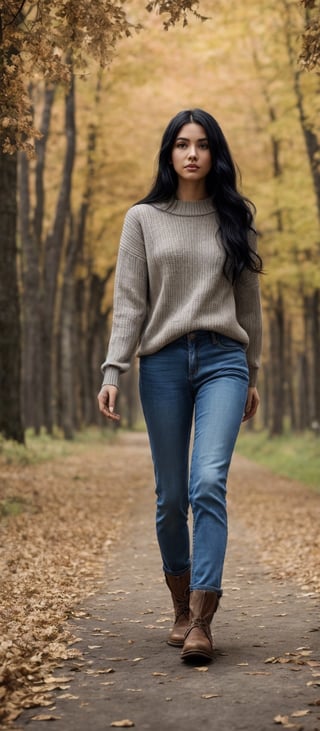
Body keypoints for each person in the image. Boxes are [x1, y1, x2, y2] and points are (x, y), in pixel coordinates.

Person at [97, 108, 263, 663]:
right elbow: (130, 302)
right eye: (181, 144)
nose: (192, 153)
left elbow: (249, 306)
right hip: (163, 363)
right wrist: (113, 368)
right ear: (168, 153)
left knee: (208, 482)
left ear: (216, 154)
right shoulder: (141, 219)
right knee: (171, 498)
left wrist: (254, 372)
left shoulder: (233, 216)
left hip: (223, 361)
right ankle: (179, 608)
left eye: (202, 144)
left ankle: (203, 619)